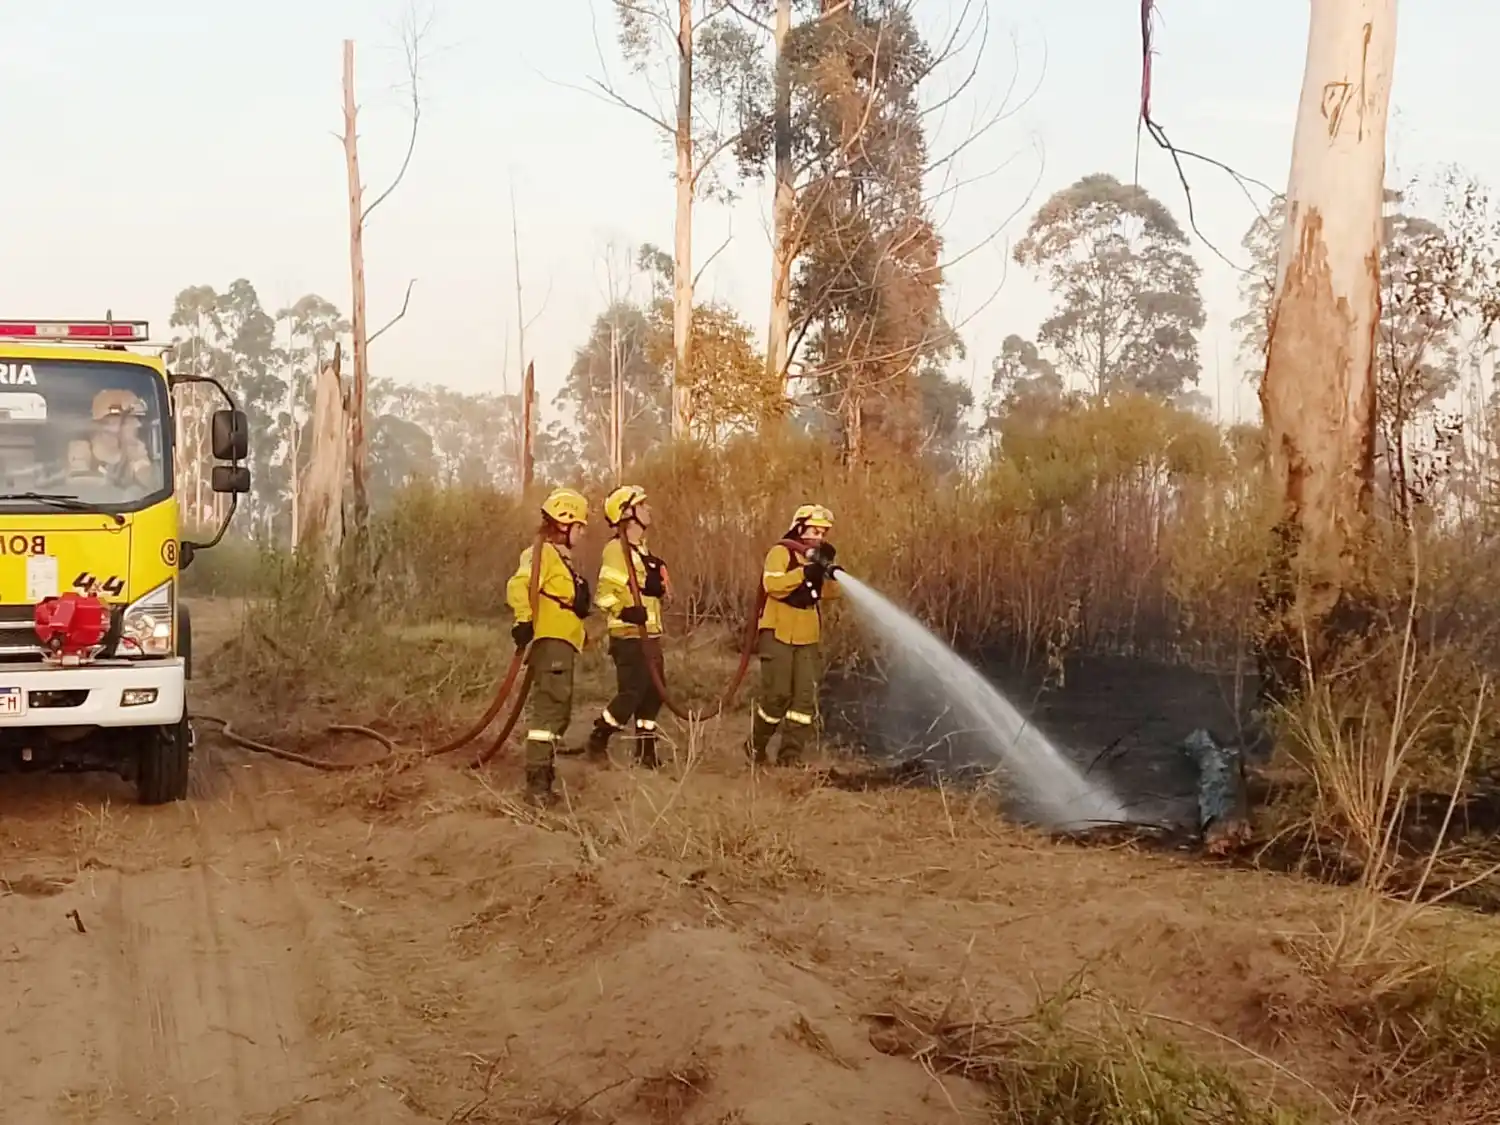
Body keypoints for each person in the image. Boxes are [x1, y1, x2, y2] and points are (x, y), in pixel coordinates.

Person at [505, 487, 592, 806]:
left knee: (560, 711)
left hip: (564, 642)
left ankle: (545, 778)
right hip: (551, 641)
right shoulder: (541, 553)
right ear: (565, 523)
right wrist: (524, 619)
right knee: (549, 711)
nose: (582, 533)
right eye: (579, 527)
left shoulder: (559, 558)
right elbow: (520, 585)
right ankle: (537, 786)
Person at [748, 503, 840, 766]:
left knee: (803, 701)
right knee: (777, 695)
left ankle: (790, 757)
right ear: (799, 528)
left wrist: (829, 573)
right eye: (814, 530)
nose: (818, 537)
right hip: (777, 632)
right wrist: (803, 572)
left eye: (823, 533)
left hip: (807, 636)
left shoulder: (817, 560)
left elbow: (831, 594)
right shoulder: (782, 552)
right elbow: (772, 585)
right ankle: (756, 746)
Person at [585, 484, 670, 769]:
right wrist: (626, 611)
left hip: (650, 634)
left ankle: (646, 753)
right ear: (628, 514)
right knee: (632, 692)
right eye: (642, 506)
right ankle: (599, 736)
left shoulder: (641, 550)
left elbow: (646, 588)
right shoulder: (616, 550)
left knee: (655, 693)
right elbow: (604, 595)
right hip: (628, 635)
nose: (649, 510)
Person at [89, 389, 157, 492]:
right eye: (131, 420)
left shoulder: (138, 457)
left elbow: (156, 489)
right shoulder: (80, 459)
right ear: (110, 424)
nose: (138, 425)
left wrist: (140, 463)